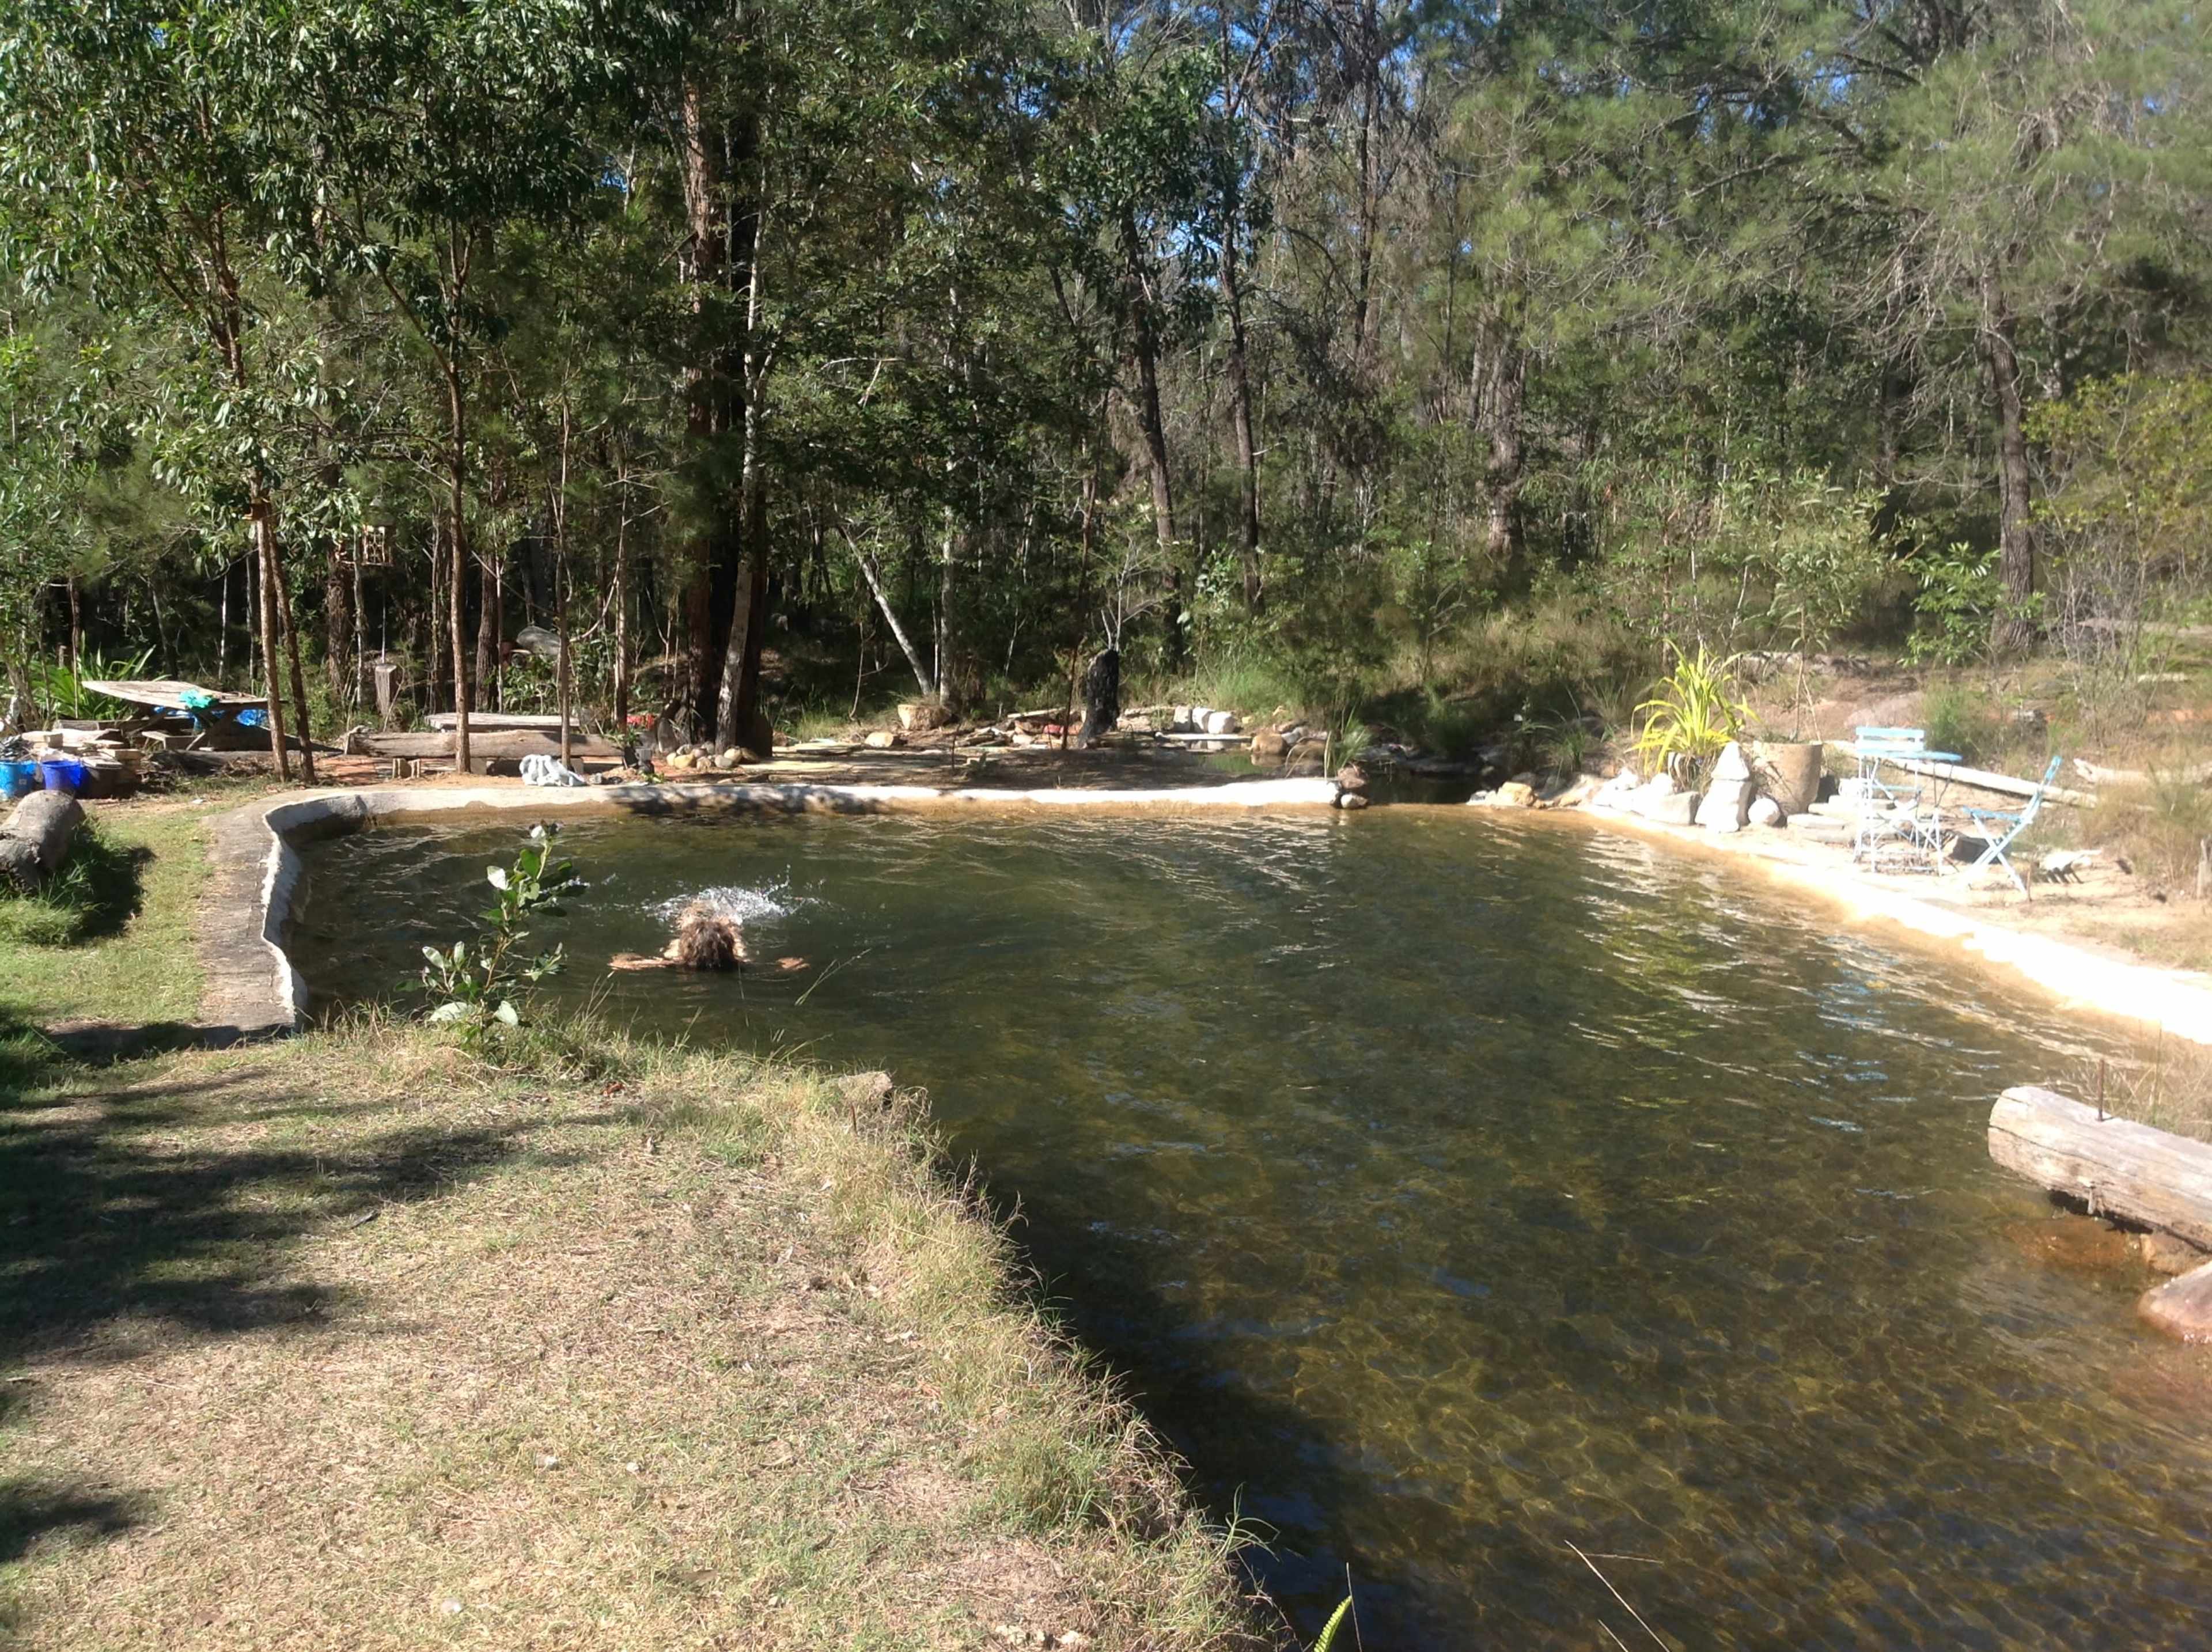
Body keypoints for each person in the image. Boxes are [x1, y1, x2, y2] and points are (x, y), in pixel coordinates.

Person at [609, 900, 807, 973]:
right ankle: (727, 925)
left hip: (685, 957)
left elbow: (619, 963)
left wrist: (632, 959)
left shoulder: (675, 962)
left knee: (689, 925)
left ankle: (692, 910)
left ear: (686, 949)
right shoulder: (738, 965)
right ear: (727, 947)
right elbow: (795, 963)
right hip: (729, 960)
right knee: (735, 937)